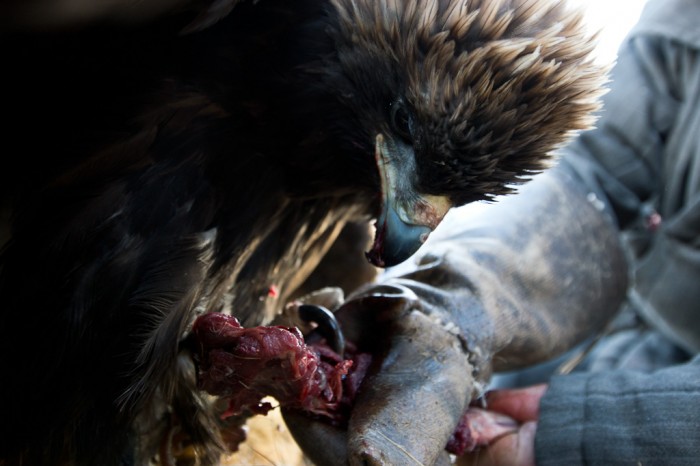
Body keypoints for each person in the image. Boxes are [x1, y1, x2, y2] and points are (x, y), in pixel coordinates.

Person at [414, 0, 700, 463]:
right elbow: (596, 172)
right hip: (614, 302)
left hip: (676, 402)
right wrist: (459, 303)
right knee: (447, 384)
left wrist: (598, 433)